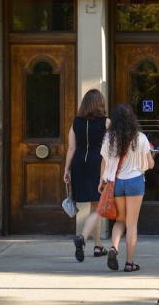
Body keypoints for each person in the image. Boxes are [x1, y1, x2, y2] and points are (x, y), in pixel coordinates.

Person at [99, 103, 155, 272]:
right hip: (135, 181)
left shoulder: (109, 139)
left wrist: (101, 181)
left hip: (116, 183)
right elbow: (150, 165)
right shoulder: (141, 138)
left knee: (119, 220)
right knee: (132, 224)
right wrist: (152, 156)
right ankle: (129, 263)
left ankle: (114, 248)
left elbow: (104, 161)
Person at [64, 89, 108, 262]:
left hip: (79, 164)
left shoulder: (76, 122)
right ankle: (82, 237)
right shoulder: (106, 122)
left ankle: (98, 246)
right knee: (97, 206)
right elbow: (110, 147)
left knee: (93, 207)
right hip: (98, 164)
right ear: (100, 103)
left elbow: (72, 148)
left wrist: (66, 169)